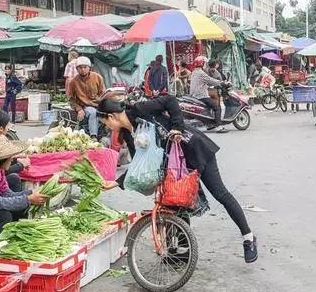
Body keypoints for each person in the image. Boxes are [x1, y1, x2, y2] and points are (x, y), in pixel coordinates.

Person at [97, 95, 258, 263]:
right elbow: (138, 163)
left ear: (111, 116)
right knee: (174, 203)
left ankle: (249, 238)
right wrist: (117, 182)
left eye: (105, 123)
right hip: (174, 166)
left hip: (195, 149)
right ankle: (182, 252)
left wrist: (177, 128)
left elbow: (169, 101)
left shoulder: (140, 110)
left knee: (220, 194)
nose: (108, 127)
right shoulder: (128, 134)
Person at [66, 56, 105, 138]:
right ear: (77, 69)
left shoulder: (98, 77)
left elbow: (103, 94)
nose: (83, 69)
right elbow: (71, 99)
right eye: (80, 67)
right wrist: (79, 109)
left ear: (89, 68)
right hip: (85, 107)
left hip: (99, 105)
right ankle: (93, 136)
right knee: (93, 112)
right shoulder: (73, 82)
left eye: (85, 67)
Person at [189, 56, 225, 130]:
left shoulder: (194, 72)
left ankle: (209, 123)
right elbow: (211, 80)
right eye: (205, 63)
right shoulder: (201, 73)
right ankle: (219, 126)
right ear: (202, 64)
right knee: (217, 107)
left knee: (210, 105)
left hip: (194, 95)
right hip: (201, 95)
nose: (206, 64)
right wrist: (222, 83)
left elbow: (207, 82)